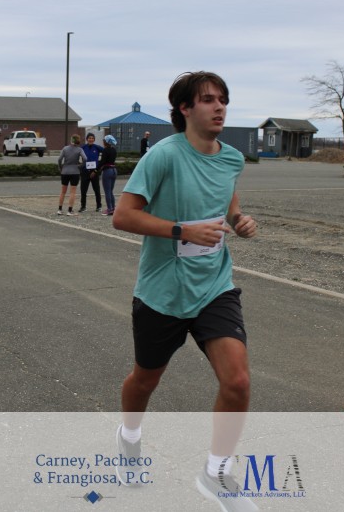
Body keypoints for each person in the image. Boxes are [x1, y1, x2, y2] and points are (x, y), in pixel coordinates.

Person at [111, 72, 258, 509]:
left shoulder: (232, 159)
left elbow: (228, 202)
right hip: (162, 292)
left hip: (214, 286)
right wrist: (182, 230)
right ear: (185, 109)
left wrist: (239, 221)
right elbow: (123, 215)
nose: (219, 107)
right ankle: (129, 436)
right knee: (145, 379)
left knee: (238, 381)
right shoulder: (163, 156)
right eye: (208, 100)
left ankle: (216, 474)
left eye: (223, 99)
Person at [57, 135, 84, 216]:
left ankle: (59, 209)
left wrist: (60, 167)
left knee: (63, 191)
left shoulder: (65, 148)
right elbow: (85, 158)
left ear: (71, 140)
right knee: (72, 192)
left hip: (65, 171)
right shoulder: (79, 149)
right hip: (75, 171)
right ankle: (69, 210)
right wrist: (80, 166)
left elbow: (59, 159)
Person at [78, 133, 103, 213]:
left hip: (94, 172)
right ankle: (83, 206)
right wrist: (79, 165)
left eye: (92, 138)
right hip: (85, 171)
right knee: (83, 190)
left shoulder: (97, 147)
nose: (91, 139)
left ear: (94, 139)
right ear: (87, 139)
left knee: (97, 190)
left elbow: (106, 152)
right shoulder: (83, 148)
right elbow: (76, 154)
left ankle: (99, 206)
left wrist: (99, 163)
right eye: (89, 138)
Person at [99, 135, 118, 215]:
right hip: (114, 170)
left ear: (106, 142)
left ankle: (109, 209)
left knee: (107, 191)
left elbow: (103, 161)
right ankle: (113, 208)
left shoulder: (105, 150)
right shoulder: (114, 150)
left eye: (104, 140)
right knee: (111, 191)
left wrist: (96, 169)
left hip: (107, 171)